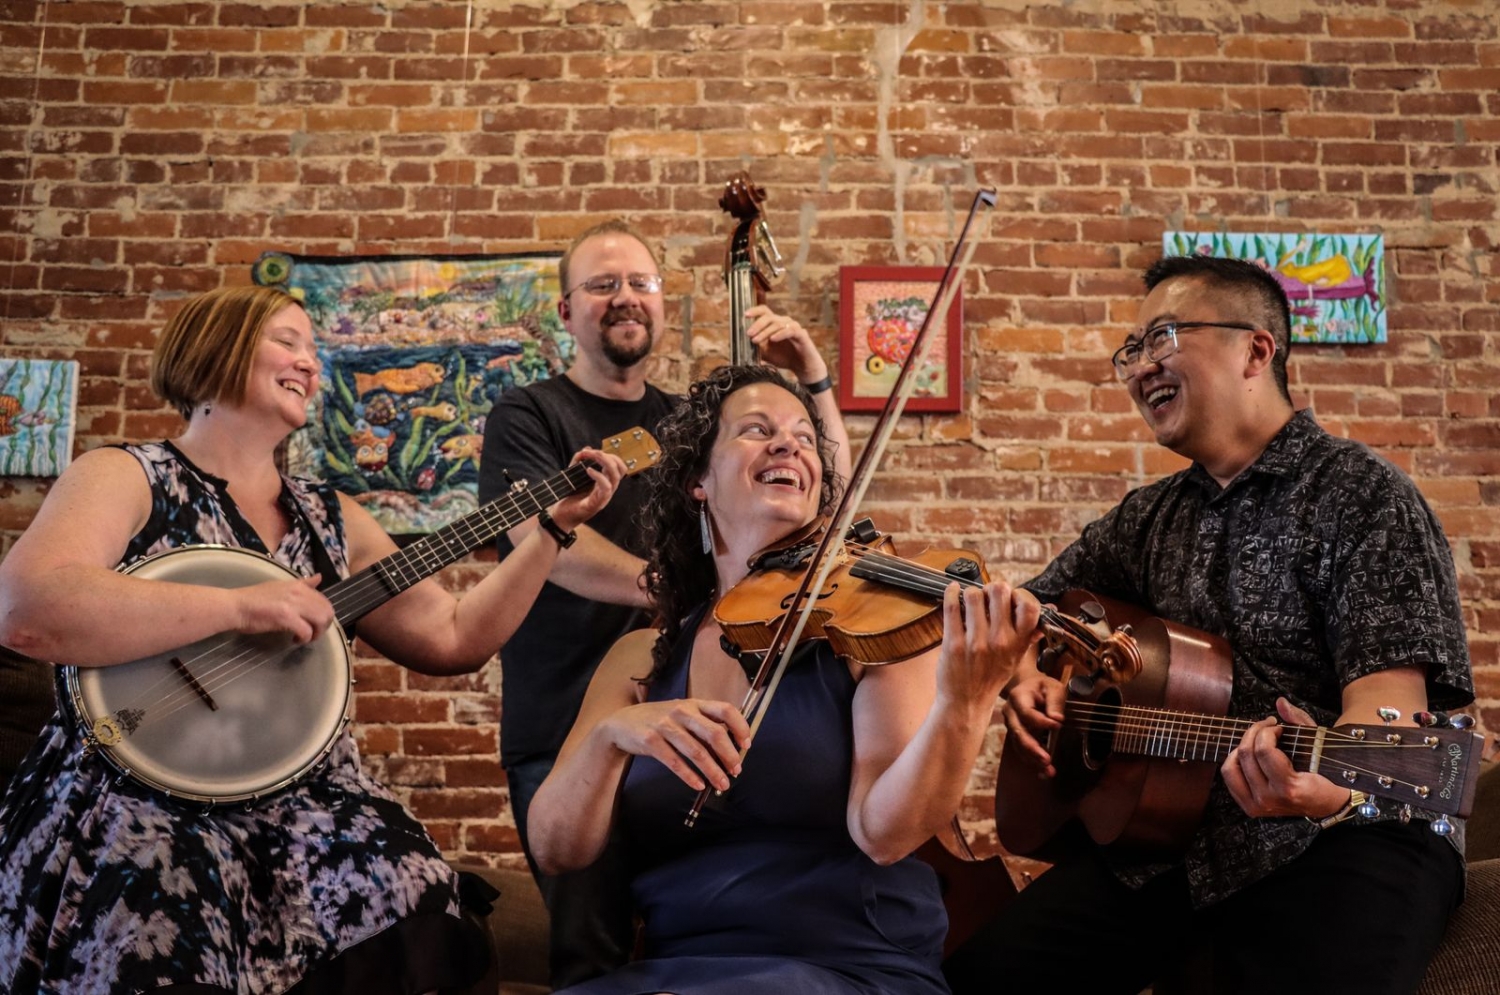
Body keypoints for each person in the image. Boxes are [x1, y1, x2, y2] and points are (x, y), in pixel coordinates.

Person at [0, 284, 625, 994]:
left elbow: (453, 637)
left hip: (306, 809)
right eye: (287, 341)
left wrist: (549, 532)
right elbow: (26, 606)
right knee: (156, 906)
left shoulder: (331, 518)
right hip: (131, 791)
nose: (310, 362)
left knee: (414, 889)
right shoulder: (128, 475)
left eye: (314, 350)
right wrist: (239, 607)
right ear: (217, 347)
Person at [943, 255, 1474, 995]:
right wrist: (1026, 672)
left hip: (1347, 834)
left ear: (1255, 349)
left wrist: (1325, 790)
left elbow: (1389, 716)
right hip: (1176, 841)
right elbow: (1027, 613)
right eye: (1131, 350)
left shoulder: (1363, 495)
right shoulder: (1148, 518)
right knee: (976, 979)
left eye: (1162, 338)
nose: (1139, 368)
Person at [523, 362, 1040, 995]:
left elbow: (885, 835)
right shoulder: (643, 657)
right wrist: (611, 737)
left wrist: (965, 702)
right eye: (756, 430)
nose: (788, 445)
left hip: (847, 968)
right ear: (698, 482)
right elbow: (556, 848)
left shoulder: (870, 629)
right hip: (676, 970)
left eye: (803, 436)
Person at [477, 219, 853, 986]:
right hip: (566, 720)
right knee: (594, 954)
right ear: (565, 309)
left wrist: (814, 378)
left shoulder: (686, 421)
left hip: (686, 697)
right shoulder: (528, 413)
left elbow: (828, 501)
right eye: (602, 284)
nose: (625, 297)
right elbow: (549, 541)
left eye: (640, 283)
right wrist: (686, 592)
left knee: (691, 923)